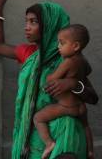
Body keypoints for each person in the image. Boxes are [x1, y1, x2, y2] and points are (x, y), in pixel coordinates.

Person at [0, 0, 98, 159]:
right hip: (36, 136)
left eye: (34, 22)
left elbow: (93, 98)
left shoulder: (70, 60)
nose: (27, 27)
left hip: (65, 136)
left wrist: (72, 84)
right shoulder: (29, 54)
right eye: (26, 21)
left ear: (50, 24)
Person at [33, 24, 94, 159]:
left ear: (76, 46)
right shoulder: (83, 61)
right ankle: (90, 151)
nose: (58, 47)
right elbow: (88, 71)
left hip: (66, 107)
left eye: (62, 43)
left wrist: (47, 75)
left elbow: (52, 79)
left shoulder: (68, 62)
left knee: (38, 118)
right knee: (86, 126)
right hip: (81, 107)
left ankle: (49, 143)